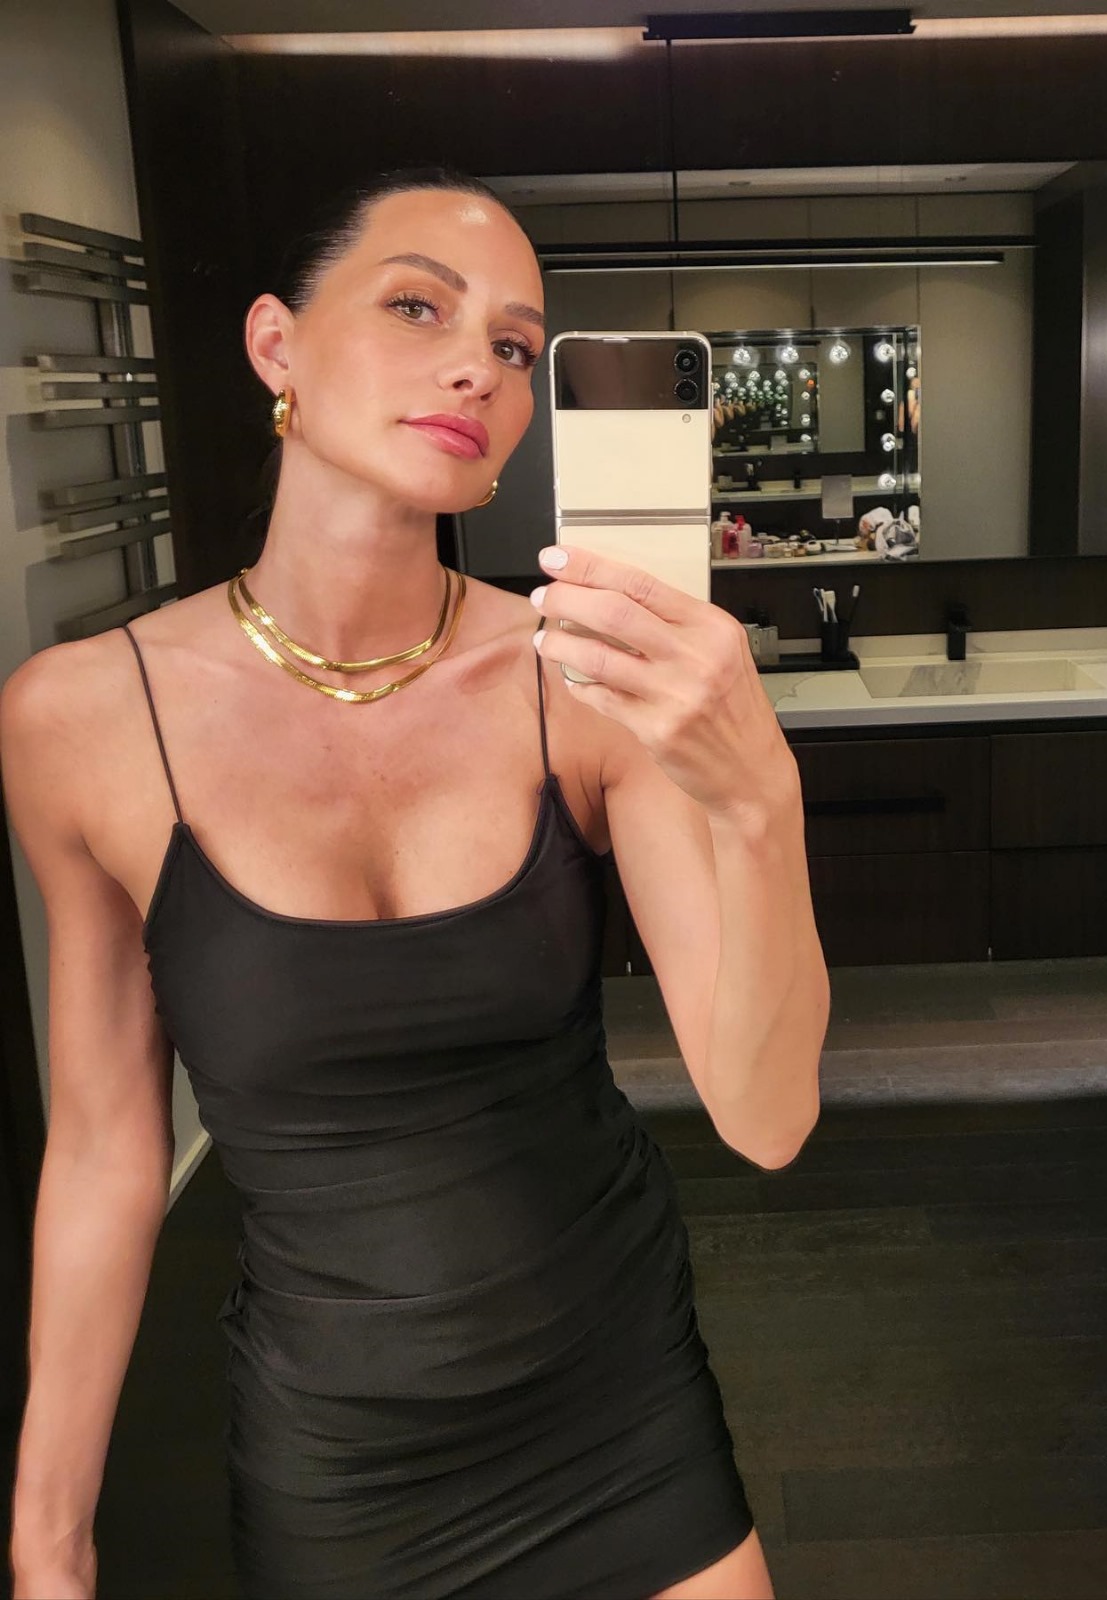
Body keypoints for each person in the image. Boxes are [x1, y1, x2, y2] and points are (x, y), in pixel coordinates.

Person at [2, 165, 828, 1600]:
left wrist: (759, 801)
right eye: (415, 307)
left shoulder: (578, 686)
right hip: (341, 1457)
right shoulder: (81, 721)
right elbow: (103, 1155)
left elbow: (766, 1122)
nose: (478, 369)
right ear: (276, 345)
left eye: (514, 345)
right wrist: (47, 1540)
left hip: (620, 1402)